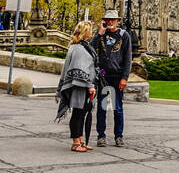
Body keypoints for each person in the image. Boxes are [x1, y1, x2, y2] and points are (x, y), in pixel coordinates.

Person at [56, 21, 99, 152]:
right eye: (91, 30)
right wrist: (89, 86)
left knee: (82, 112)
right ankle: (76, 143)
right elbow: (80, 68)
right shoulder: (79, 49)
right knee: (78, 113)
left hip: (81, 85)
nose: (92, 33)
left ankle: (80, 140)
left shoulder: (80, 46)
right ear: (86, 33)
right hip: (80, 86)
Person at [91, 11, 132, 147]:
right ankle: (101, 136)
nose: (109, 22)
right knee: (102, 108)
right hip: (103, 76)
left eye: (112, 20)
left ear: (117, 21)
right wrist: (99, 33)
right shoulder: (101, 35)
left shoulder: (123, 35)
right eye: (107, 20)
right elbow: (91, 48)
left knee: (117, 108)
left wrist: (124, 77)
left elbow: (128, 58)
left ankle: (118, 136)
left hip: (117, 76)